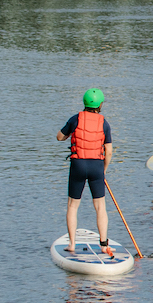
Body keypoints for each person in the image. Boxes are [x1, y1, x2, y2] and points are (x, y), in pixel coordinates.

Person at [57, 88, 115, 256]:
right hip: (97, 166)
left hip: (78, 166)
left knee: (73, 205)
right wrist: (103, 170)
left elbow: (59, 137)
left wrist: (70, 134)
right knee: (100, 207)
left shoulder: (75, 119)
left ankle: (72, 244)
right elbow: (109, 151)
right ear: (100, 105)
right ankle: (104, 245)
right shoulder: (104, 123)